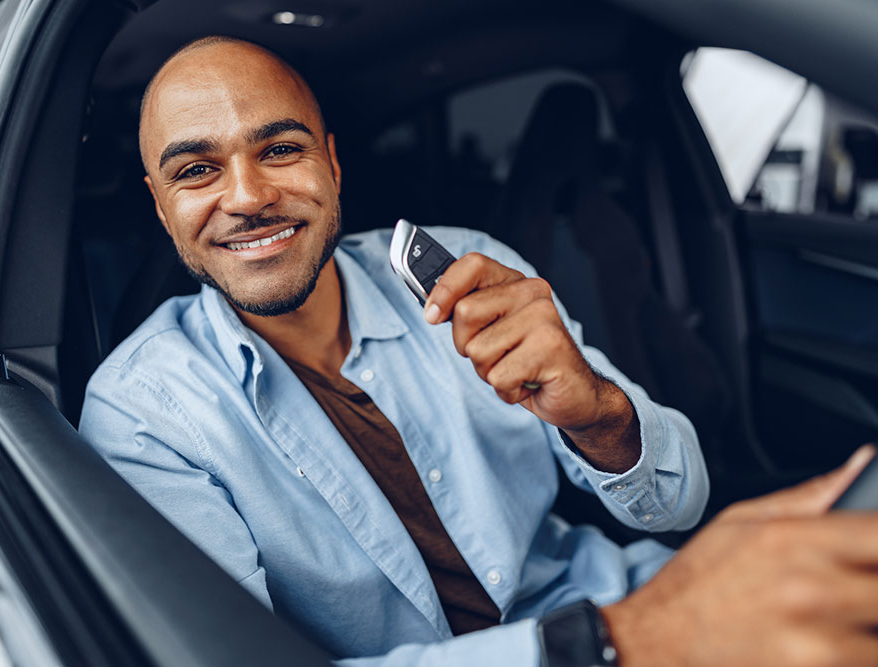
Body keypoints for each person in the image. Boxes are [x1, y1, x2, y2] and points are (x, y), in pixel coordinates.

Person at [79, 36, 878, 665]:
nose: (248, 196)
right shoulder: (142, 414)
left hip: (619, 604)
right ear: (158, 201)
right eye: (197, 169)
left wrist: (599, 415)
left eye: (281, 149)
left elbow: (681, 501)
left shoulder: (468, 271)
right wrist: (628, 640)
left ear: (331, 159)